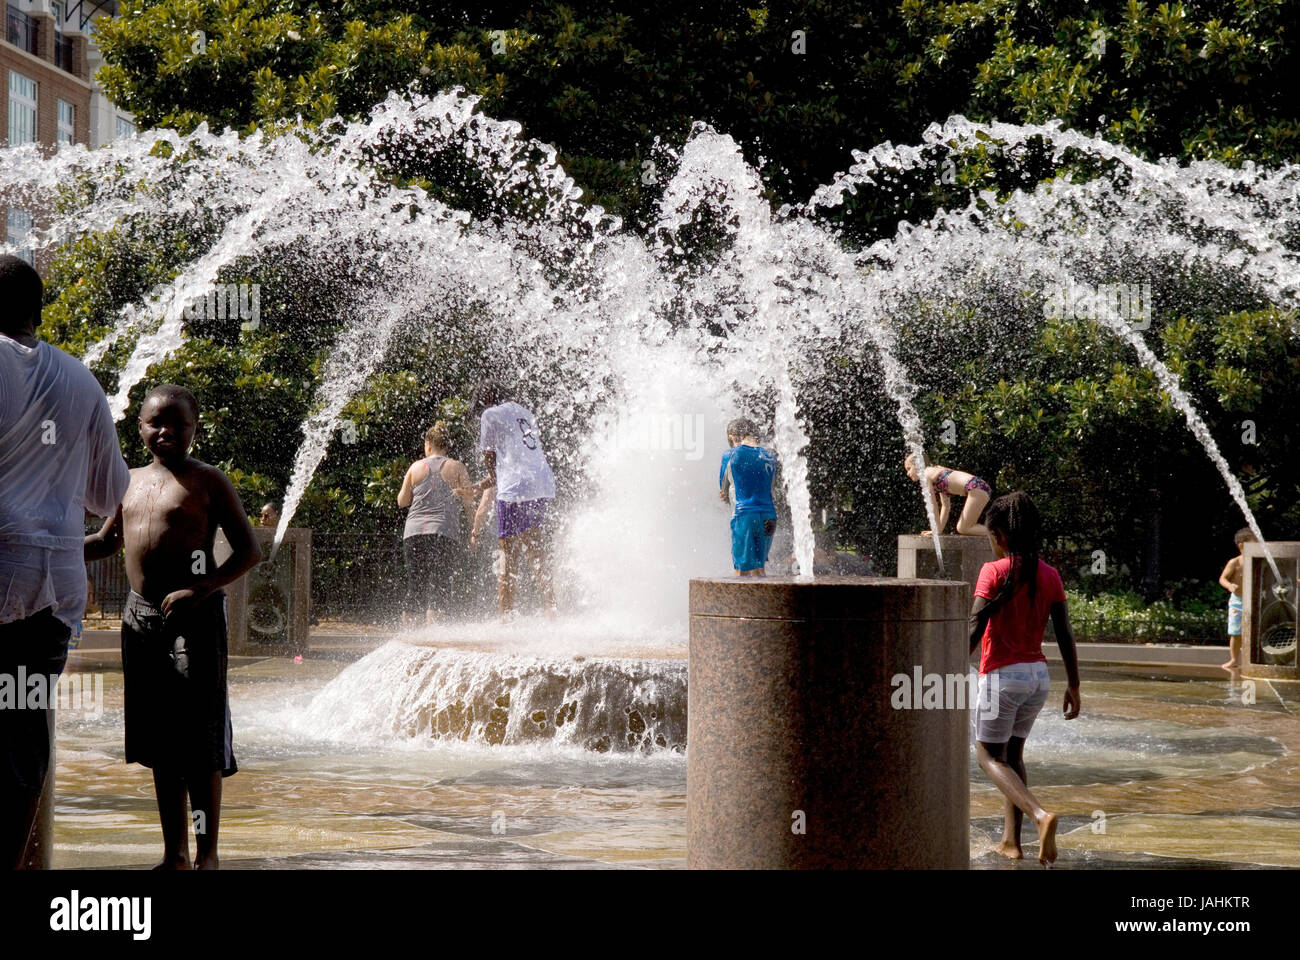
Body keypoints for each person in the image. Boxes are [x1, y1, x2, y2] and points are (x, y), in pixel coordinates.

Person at [84, 384, 260, 870]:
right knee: (160, 741)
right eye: (154, 422)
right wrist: (48, 546)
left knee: (200, 743)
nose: (165, 431)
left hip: (195, 620)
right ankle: (174, 854)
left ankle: (208, 855)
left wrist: (200, 589)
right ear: (138, 427)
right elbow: (103, 542)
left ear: (194, 428)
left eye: (176, 423)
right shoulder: (128, 481)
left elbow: (249, 551)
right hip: (140, 619)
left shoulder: (208, 481)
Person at [0, 254, 131, 870]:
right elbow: (112, 495)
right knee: (23, 736)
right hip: (52, 592)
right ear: (40, 312)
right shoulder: (80, 380)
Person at [968, 491, 1081, 866]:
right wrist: (1074, 685)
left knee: (986, 756)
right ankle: (1012, 843)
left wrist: (946, 668)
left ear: (999, 534)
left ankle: (1039, 815)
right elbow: (1064, 632)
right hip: (1038, 677)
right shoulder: (1049, 574)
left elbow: (975, 626)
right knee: (1013, 755)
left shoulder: (994, 571)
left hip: (1002, 675)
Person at [460, 382, 557, 619]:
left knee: (507, 553)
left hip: (515, 489)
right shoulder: (524, 411)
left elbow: (490, 462)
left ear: (485, 401)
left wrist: (481, 485)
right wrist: (481, 486)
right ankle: (551, 607)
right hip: (542, 483)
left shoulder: (489, 414)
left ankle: (506, 615)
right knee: (536, 549)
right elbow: (518, 459)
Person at [396, 421, 476, 625]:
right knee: (439, 587)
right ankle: (434, 638)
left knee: (415, 586)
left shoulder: (415, 467)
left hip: (413, 532)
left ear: (428, 445)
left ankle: (410, 639)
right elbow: (469, 504)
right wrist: (473, 531)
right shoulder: (456, 467)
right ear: (446, 445)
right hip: (443, 532)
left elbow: (402, 501)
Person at [718, 418, 778, 577]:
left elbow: (723, 488)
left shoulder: (730, 455)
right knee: (760, 568)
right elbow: (770, 489)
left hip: (745, 516)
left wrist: (725, 494)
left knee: (741, 569)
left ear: (732, 437)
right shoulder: (770, 456)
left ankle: (738, 602)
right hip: (770, 518)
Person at [904, 453, 992, 537]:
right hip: (979, 487)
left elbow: (932, 505)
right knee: (965, 527)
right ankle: (999, 532)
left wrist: (936, 529)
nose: (907, 473)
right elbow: (946, 507)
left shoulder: (926, 474)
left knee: (963, 528)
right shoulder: (935, 475)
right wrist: (939, 530)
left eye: (909, 468)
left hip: (975, 487)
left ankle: (1001, 531)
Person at [1218, 527, 1257, 670]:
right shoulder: (1235, 562)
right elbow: (1222, 578)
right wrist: (1229, 586)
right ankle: (1234, 659)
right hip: (1238, 601)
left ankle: (1252, 660)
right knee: (1235, 633)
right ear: (1242, 545)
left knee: (1254, 631)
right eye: (1255, 543)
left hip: (1253, 601)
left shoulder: (1258, 561)